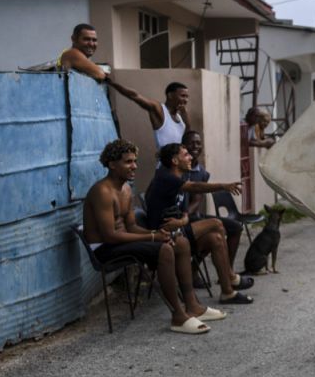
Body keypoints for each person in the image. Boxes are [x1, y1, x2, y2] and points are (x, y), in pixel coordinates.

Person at [82, 139, 227, 334]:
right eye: (128, 162)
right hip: (105, 248)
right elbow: (110, 236)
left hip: (120, 239)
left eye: (134, 161)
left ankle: (192, 305)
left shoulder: (125, 189)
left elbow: (131, 226)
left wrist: (157, 234)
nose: (134, 166)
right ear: (112, 165)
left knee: (180, 242)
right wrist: (152, 238)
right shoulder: (103, 191)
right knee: (164, 249)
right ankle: (178, 315)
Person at [146, 143, 254, 304]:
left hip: (178, 230)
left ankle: (227, 292)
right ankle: (230, 276)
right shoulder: (166, 177)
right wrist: (223, 186)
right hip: (165, 236)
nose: (190, 157)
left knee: (215, 239)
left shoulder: (179, 178)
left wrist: (182, 220)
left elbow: (184, 213)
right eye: (186, 155)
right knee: (216, 223)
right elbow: (195, 187)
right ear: (175, 160)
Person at [181, 130, 243, 270]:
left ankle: (228, 271)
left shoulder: (201, 172)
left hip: (192, 216)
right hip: (181, 219)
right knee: (213, 233)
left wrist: (186, 214)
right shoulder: (179, 169)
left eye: (198, 143)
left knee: (236, 228)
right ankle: (194, 271)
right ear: (183, 146)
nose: (196, 146)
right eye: (191, 143)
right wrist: (182, 216)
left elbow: (197, 200)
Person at [107, 80, 190, 151]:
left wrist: (185, 115)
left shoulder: (180, 116)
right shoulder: (160, 110)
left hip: (179, 166)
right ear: (170, 95)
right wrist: (110, 82)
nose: (186, 100)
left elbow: (187, 138)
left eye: (187, 97)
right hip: (166, 167)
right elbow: (134, 95)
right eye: (183, 96)